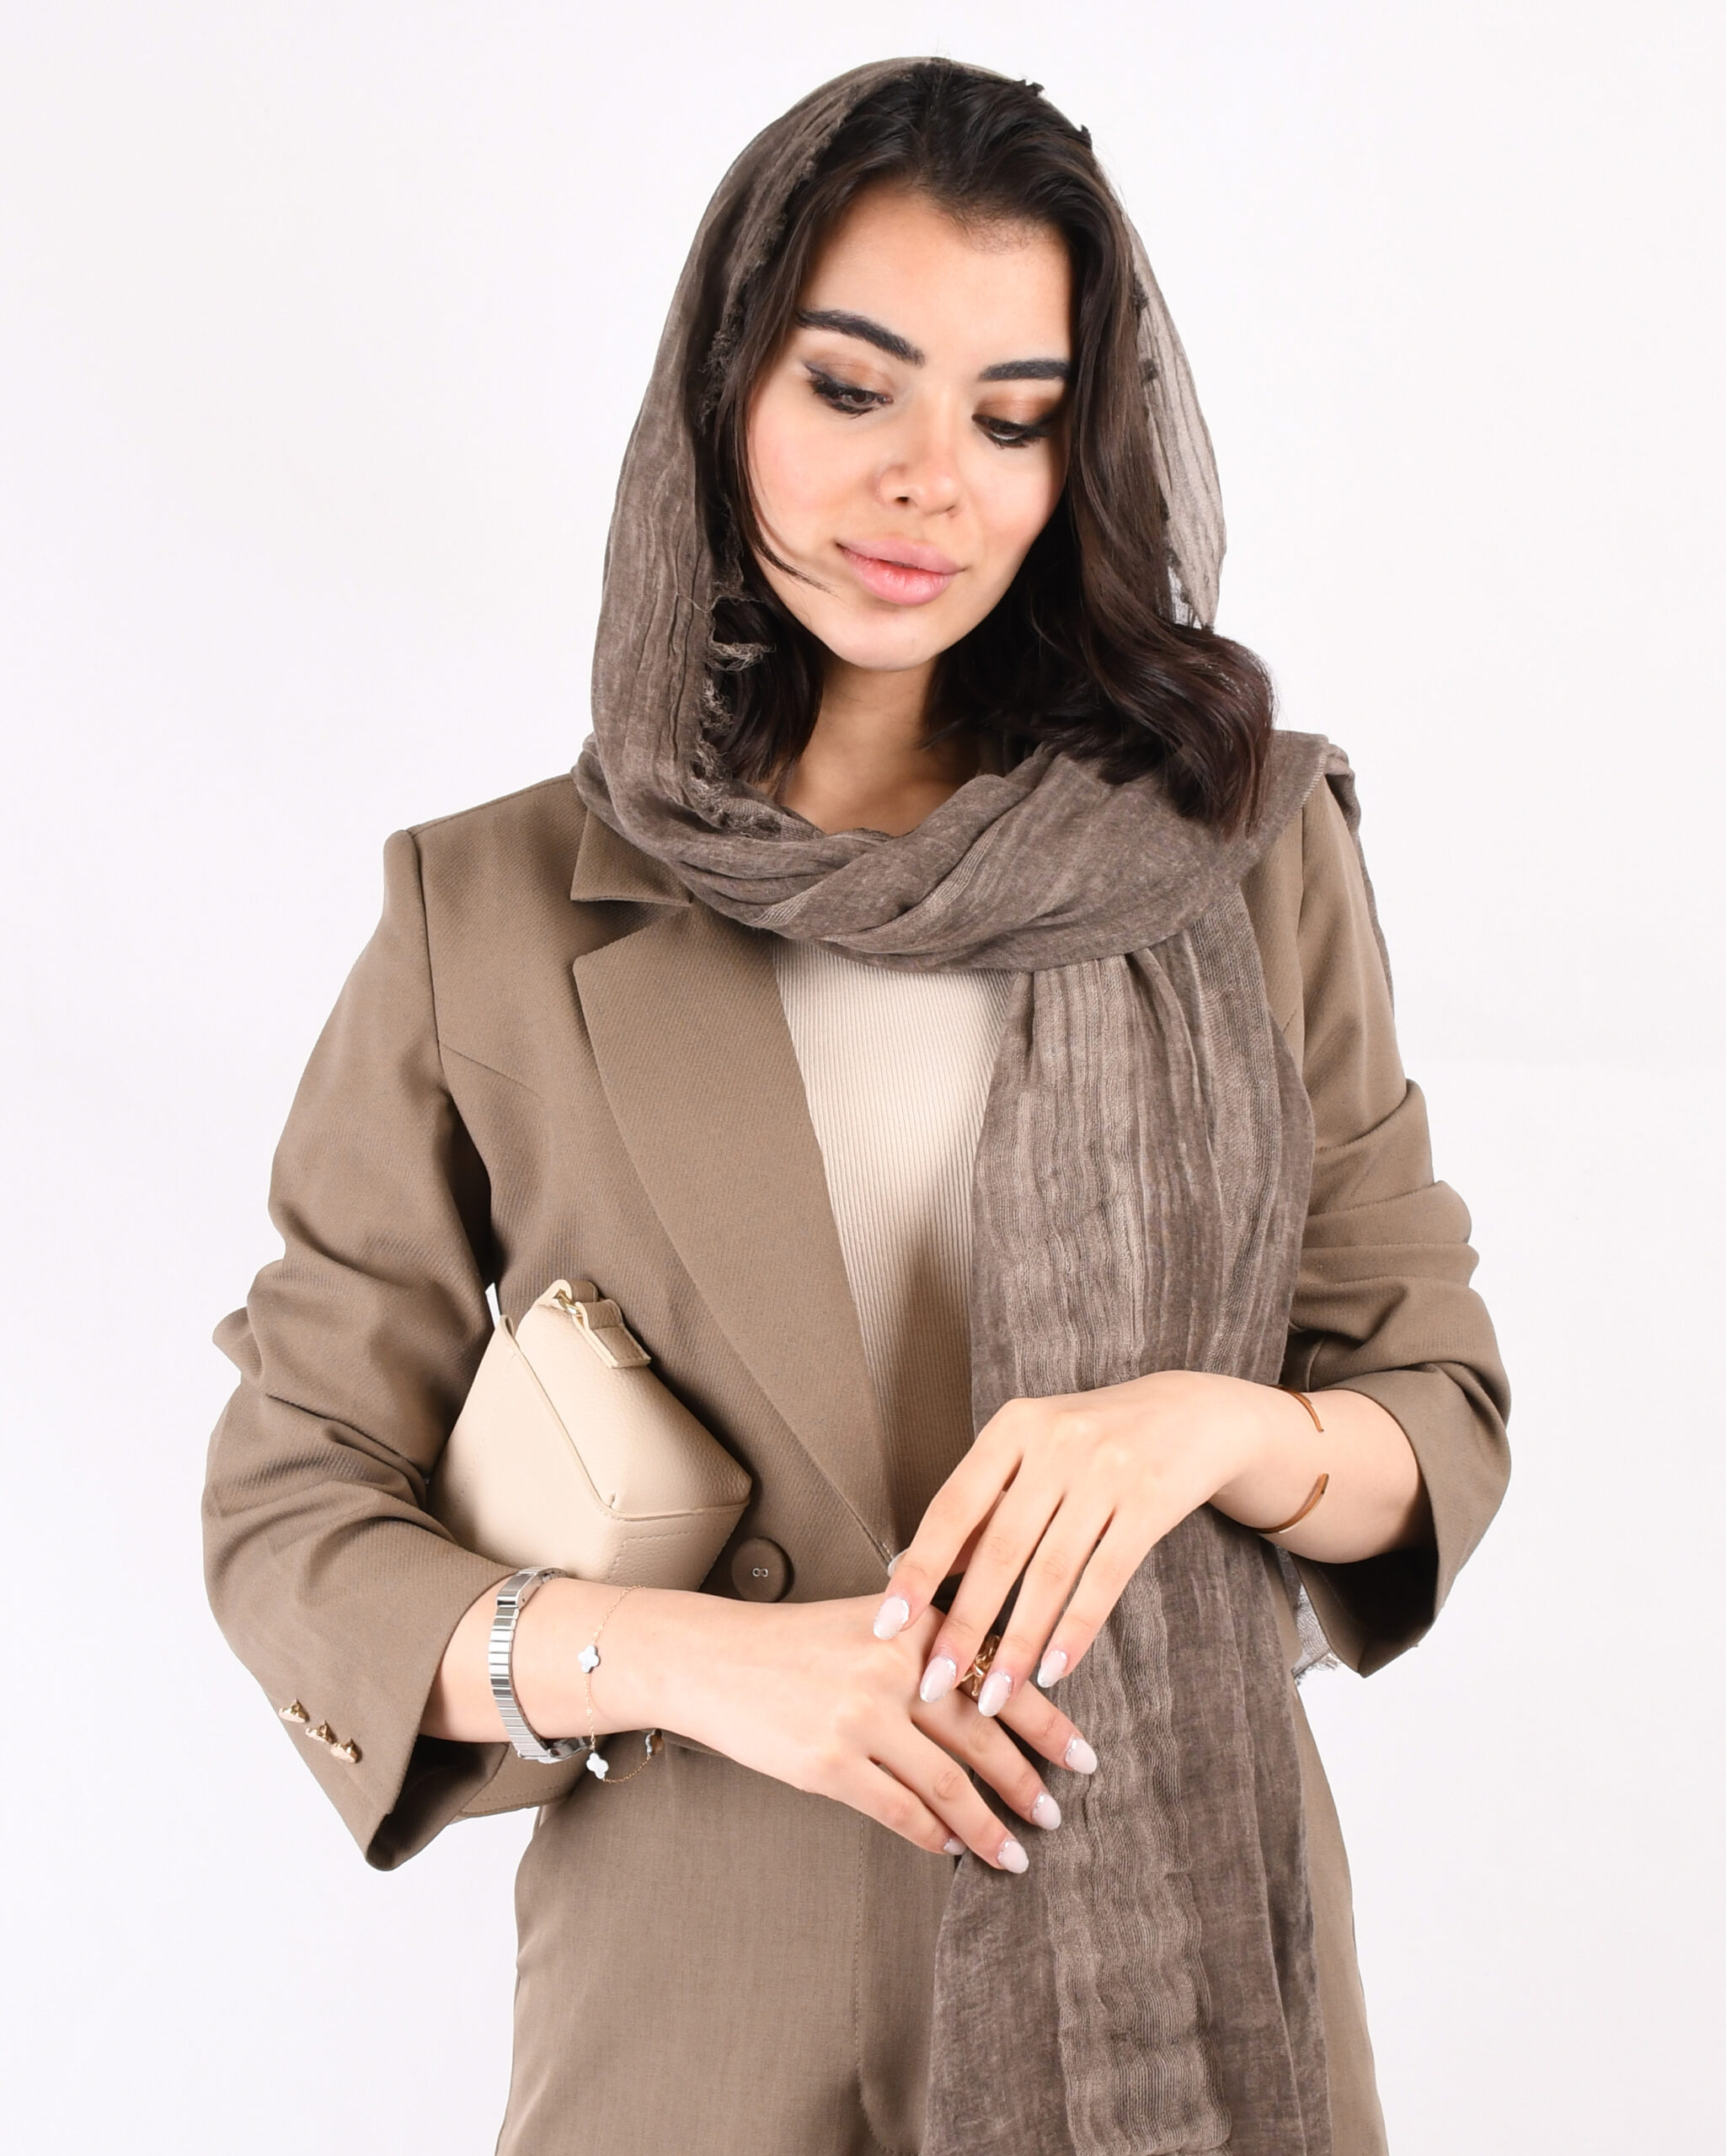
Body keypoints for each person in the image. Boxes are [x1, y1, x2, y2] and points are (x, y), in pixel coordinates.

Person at [203, 57, 1509, 2156]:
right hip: (703, 2027)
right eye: (848, 389)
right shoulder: (490, 911)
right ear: (718, 391)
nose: (928, 488)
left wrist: (1199, 1428)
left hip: (1187, 1989)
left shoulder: (1232, 851)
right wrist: (693, 1663)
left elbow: (1428, 1406)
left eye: (1010, 418)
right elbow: (293, 1506)